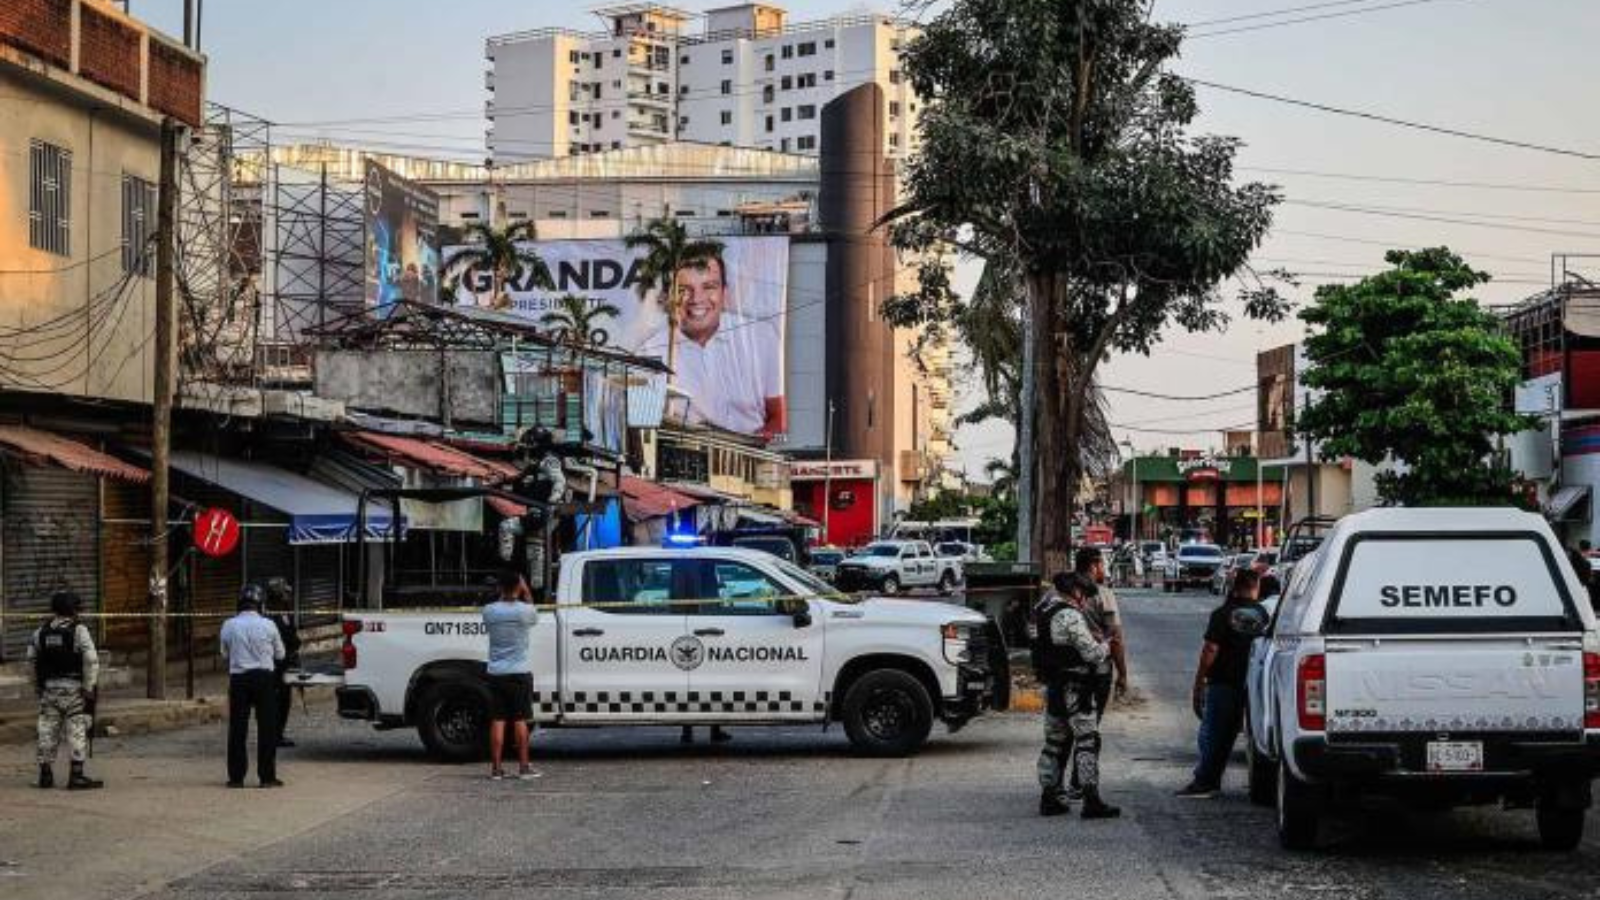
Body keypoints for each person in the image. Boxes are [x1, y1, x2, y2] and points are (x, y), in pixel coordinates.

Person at [647, 251, 785, 436]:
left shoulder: (761, 337)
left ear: (724, 293)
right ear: (669, 297)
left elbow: (778, 418)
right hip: (685, 454)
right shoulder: (650, 352)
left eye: (709, 287)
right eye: (684, 289)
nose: (697, 299)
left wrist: (751, 449)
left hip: (750, 454)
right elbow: (644, 426)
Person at [1031, 573, 1119, 820]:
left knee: (1054, 742)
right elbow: (1091, 654)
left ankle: (1050, 796)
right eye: (1082, 593)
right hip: (1077, 686)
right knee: (1087, 740)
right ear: (1075, 592)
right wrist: (1107, 644)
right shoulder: (1068, 615)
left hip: (1055, 685)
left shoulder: (1042, 611)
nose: (1084, 599)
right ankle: (1091, 798)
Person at [1177, 568, 1262, 798]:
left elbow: (1211, 649)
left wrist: (1199, 681)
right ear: (1255, 587)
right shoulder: (1264, 614)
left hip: (1224, 681)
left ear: (1235, 586)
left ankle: (1206, 781)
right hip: (1255, 684)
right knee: (1254, 736)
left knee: (1215, 734)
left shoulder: (1222, 613)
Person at [29, 591, 103, 790]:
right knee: (77, 729)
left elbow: (32, 662)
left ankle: (45, 775)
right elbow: (91, 660)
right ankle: (76, 776)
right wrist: (89, 687)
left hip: (49, 691)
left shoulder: (40, 632)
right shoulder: (79, 631)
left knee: (46, 730)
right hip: (74, 690)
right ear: (73, 610)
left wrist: (37, 686)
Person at [220, 583, 286, 788]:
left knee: (237, 729)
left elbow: (224, 653)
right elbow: (280, 654)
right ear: (261, 605)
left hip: (239, 679)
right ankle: (267, 777)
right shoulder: (269, 625)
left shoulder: (228, 625)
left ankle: (236, 778)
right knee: (267, 728)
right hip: (264, 679)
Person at [483, 569, 539, 781]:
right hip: (519, 672)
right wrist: (525, 591)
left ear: (499, 588)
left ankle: (496, 769)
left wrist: (506, 590)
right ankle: (523, 767)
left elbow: (497, 608)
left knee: (498, 720)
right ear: (519, 586)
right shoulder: (525, 611)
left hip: (496, 672)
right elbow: (533, 612)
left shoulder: (489, 611)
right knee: (520, 720)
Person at [263, 577, 302, 749]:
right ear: (278, 595)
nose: (289, 595)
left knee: (283, 699)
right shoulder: (271, 616)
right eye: (285, 592)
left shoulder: (283, 612)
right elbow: (286, 638)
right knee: (278, 700)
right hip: (275, 664)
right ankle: (274, 735)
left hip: (284, 662)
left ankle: (277, 734)